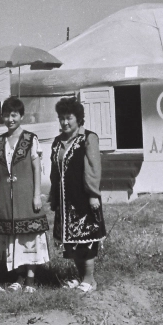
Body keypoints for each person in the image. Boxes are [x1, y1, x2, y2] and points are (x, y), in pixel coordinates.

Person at [50, 97, 106, 293]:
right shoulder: (57, 142)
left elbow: (93, 168)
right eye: (62, 118)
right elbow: (54, 171)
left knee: (86, 238)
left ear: (78, 118)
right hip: (65, 200)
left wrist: (93, 194)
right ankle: (81, 276)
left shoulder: (88, 138)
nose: (65, 122)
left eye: (69, 118)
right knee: (71, 242)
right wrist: (53, 196)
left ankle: (90, 279)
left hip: (83, 197)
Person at [0, 97, 48, 293]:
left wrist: (36, 195)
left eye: (14, 115)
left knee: (29, 236)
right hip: (6, 196)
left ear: (21, 116)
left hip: (25, 194)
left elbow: (36, 167)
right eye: (6, 115)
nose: (9, 119)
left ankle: (31, 280)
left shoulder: (30, 139)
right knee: (12, 237)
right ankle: (17, 276)